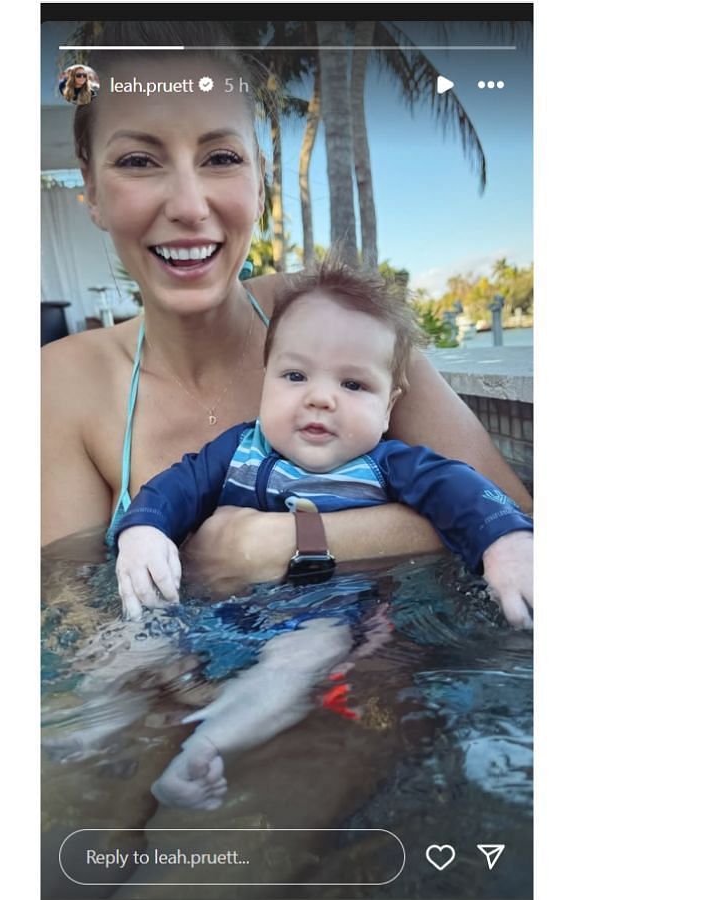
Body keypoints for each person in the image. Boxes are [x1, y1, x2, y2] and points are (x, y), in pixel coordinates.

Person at [40, 28, 534, 892]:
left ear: (262, 181)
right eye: (139, 159)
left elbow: (503, 512)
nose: (189, 205)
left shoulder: (338, 327)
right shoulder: (59, 385)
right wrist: (149, 684)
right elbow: (67, 607)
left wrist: (280, 545)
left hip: (349, 674)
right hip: (159, 674)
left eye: (221, 155)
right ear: (90, 191)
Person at [110, 259, 534, 810]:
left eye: (353, 383)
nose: (320, 397)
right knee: (131, 638)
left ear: (389, 406)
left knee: (305, 657)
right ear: (264, 381)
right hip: (219, 611)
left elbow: (464, 489)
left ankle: (207, 745)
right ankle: (90, 726)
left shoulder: (389, 465)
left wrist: (506, 542)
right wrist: (142, 530)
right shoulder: (236, 450)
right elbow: (172, 488)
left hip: (327, 614)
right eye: (294, 376)